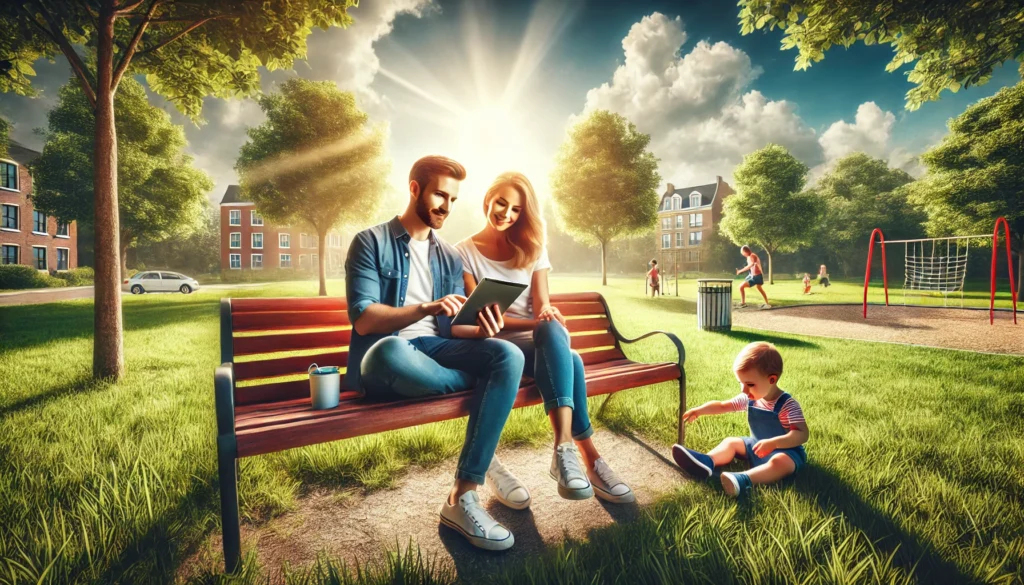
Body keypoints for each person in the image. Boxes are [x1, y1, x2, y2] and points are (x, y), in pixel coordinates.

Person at [344, 155, 525, 551]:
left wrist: (480, 329)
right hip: (387, 354)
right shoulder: (369, 242)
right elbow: (364, 320)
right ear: (414, 189)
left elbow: (452, 326)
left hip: (436, 351)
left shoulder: (449, 256)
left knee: (508, 356)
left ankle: (462, 497)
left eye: (453, 199)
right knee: (392, 349)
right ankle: (490, 387)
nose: (446, 206)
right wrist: (424, 307)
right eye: (440, 195)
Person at [454, 171, 635, 507]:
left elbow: (542, 303)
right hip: (493, 342)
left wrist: (548, 313)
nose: (506, 214)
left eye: (516, 210)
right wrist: (534, 322)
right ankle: (589, 459)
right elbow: (478, 315)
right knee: (573, 359)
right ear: (487, 200)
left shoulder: (533, 248)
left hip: (535, 339)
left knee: (553, 329)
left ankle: (564, 449)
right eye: (502, 204)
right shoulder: (463, 252)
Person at [671, 342, 808, 498]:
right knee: (731, 442)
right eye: (741, 383)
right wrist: (701, 410)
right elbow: (723, 406)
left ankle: (743, 479)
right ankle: (707, 462)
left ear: (772, 380)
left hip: (786, 451)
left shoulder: (787, 405)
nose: (744, 390)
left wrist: (774, 443)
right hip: (756, 445)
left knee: (781, 463)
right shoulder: (750, 399)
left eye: (749, 384)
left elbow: (802, 434)